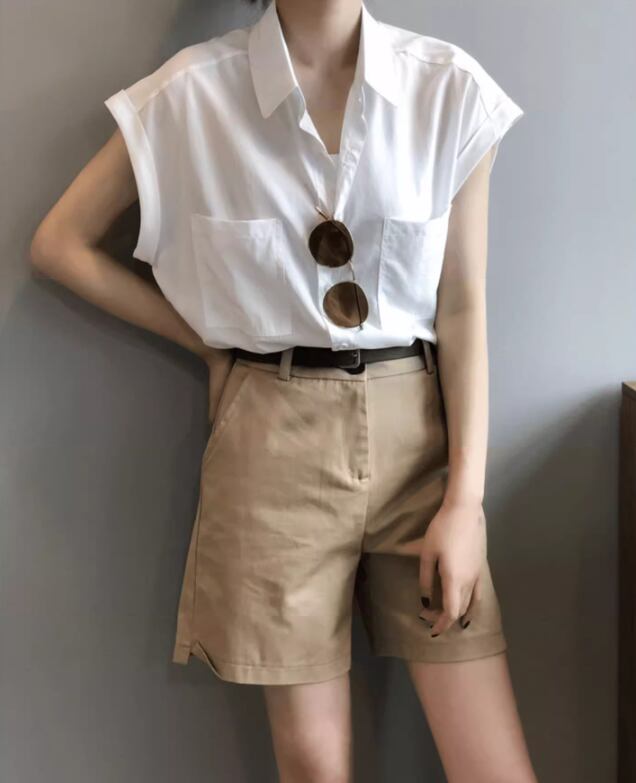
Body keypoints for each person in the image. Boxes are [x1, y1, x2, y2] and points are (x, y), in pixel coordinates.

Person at [30, 0, 538, 780]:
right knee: (313, 766)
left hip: (421, 446)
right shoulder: (191, 94)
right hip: (271, 443)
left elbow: (463, 306)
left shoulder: (447, 89)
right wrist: (209, 347)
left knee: (493, 766)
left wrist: (465, 501)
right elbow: (59, 243)